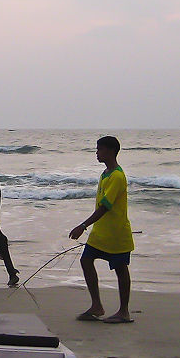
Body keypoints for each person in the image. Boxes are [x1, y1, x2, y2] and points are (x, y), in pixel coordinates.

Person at [69, 136, 134, 323]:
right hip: (101, 232)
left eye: (100, 149)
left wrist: (83, 226)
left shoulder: (117, 176)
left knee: (121, 269)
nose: (97, 153)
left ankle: (124, 311)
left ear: (111, 151)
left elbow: (105, 206)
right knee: (86, 260)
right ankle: (96, 305)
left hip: (116, 233)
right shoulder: (105, 174)